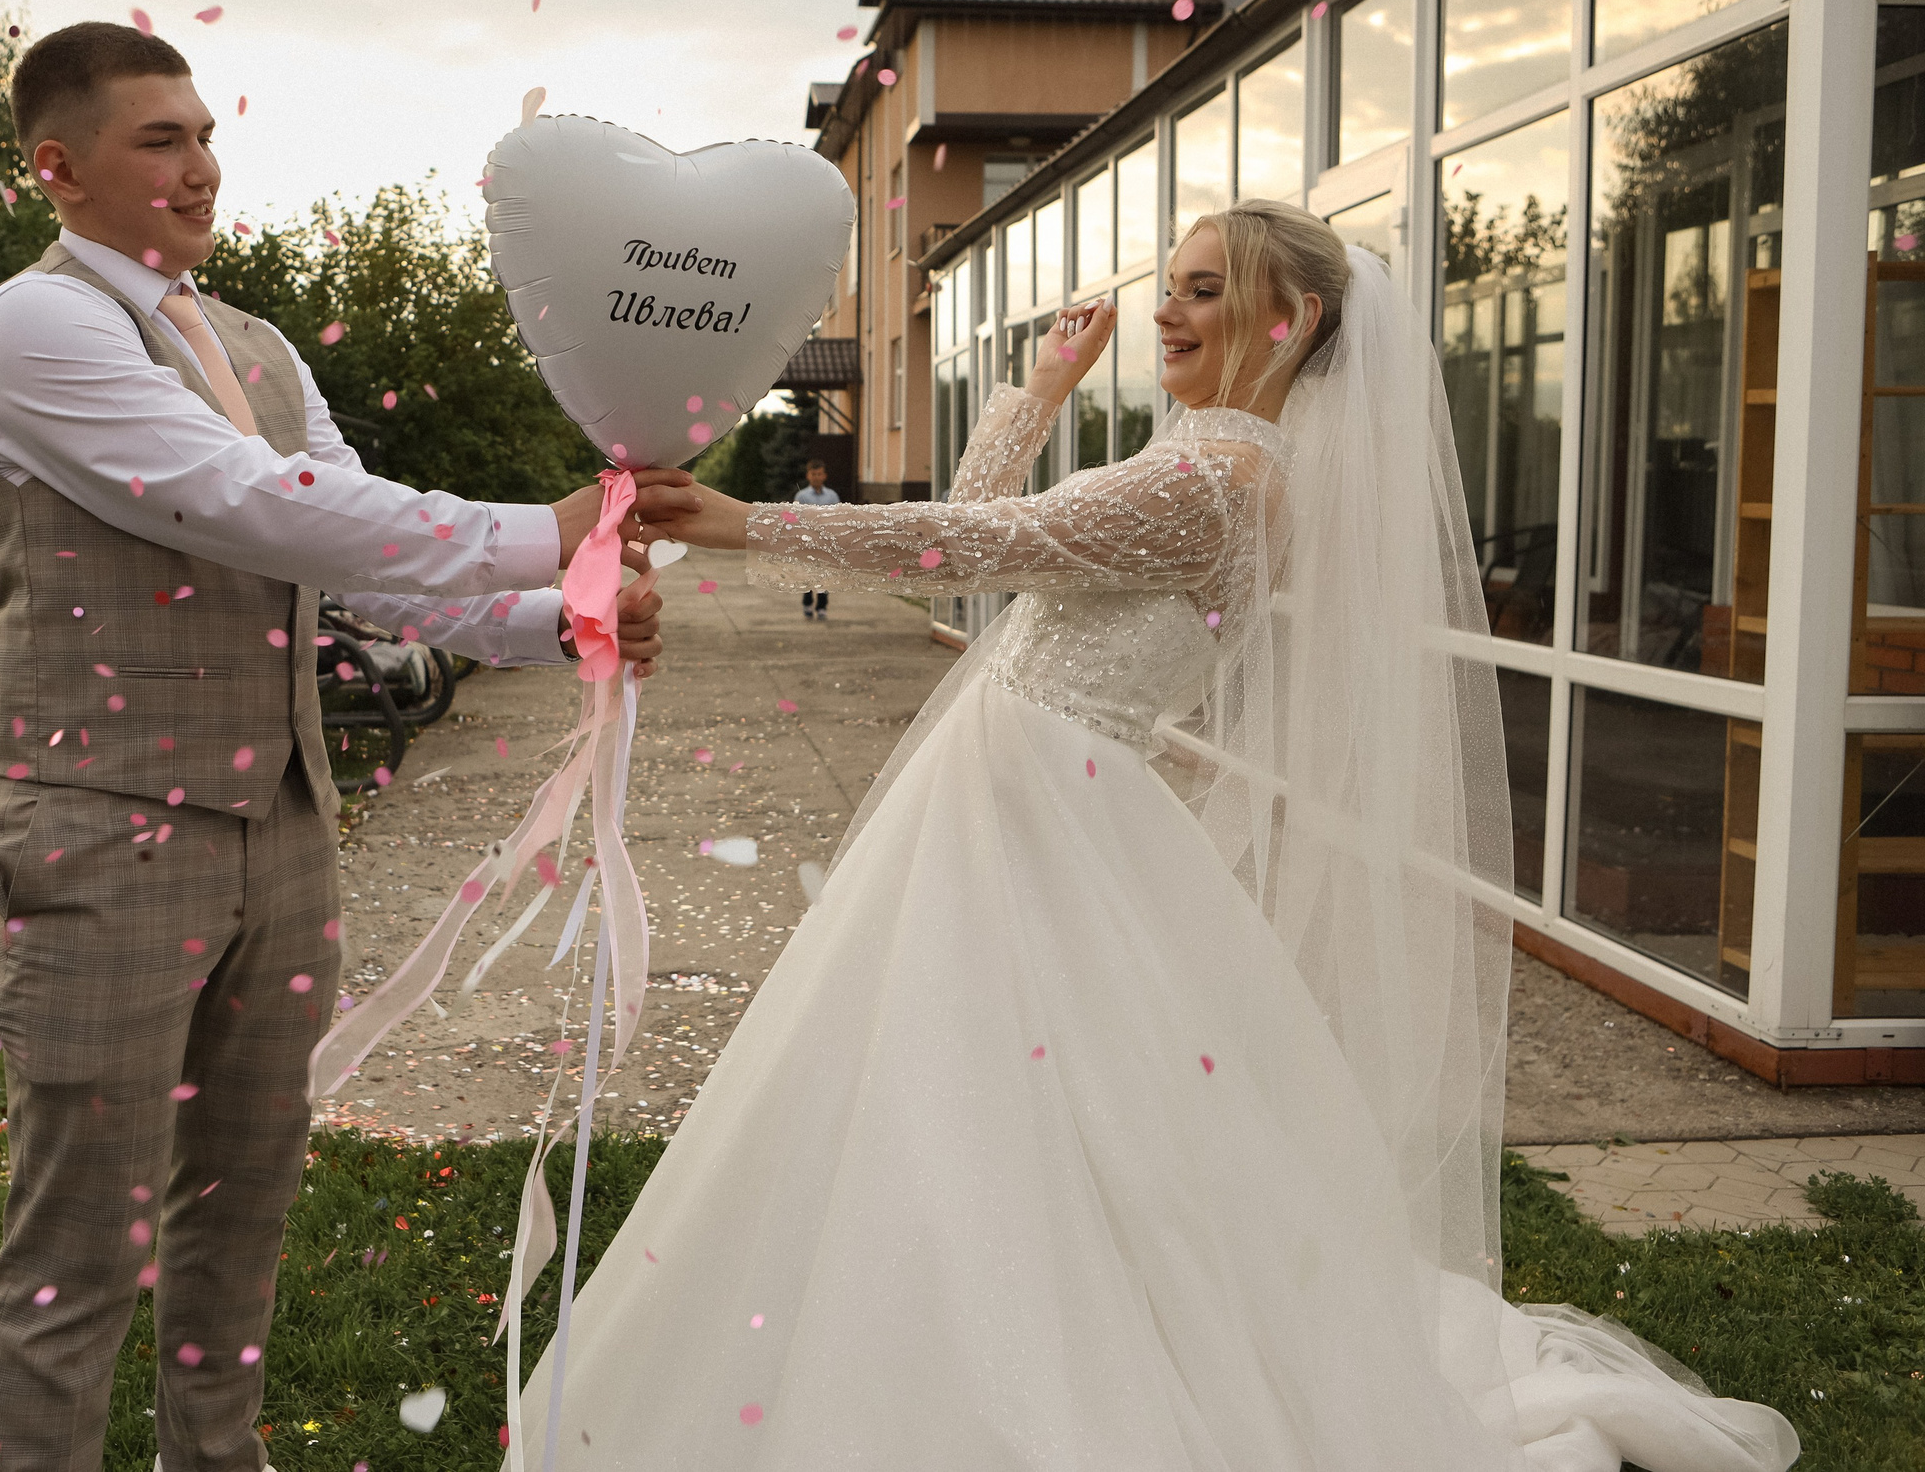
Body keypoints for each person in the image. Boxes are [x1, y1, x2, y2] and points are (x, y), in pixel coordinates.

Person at [545, 201, 1801, 1470]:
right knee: (956, 1087)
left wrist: (744, 519)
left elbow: (976, 543)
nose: (1166, 311)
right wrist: (1038, 392)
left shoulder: (1216, 478)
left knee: (1003, 1100)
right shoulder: (1196, 455)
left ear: (1291, 318)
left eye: (1205, 290)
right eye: (1174, 287)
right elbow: (991, 539)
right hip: (1026, 798)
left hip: (1051, 806)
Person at [0, 21, 680, 1472]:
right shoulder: (38, 329)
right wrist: (551, 524)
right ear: (58, 167)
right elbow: (242, 504)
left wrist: (561, 622)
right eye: (160, 139)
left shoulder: (258, 346)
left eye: (206, 133)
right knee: (78, 1232)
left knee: (245, 1197)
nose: (201, 165)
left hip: (281, 827)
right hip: (101, 825)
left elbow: (355, 563)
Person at [789, 458, 839, 620]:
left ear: (824, 476)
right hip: (808, 541)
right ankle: (807, 602)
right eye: (813, 474)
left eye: (819, 474)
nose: (816, 477)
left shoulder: (832, 496)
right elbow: (796, 518)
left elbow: (838, 517)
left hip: (825, 542)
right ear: (808, 476)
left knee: (824, 575)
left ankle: (822, 606)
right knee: (807, 574)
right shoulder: (801, 496)